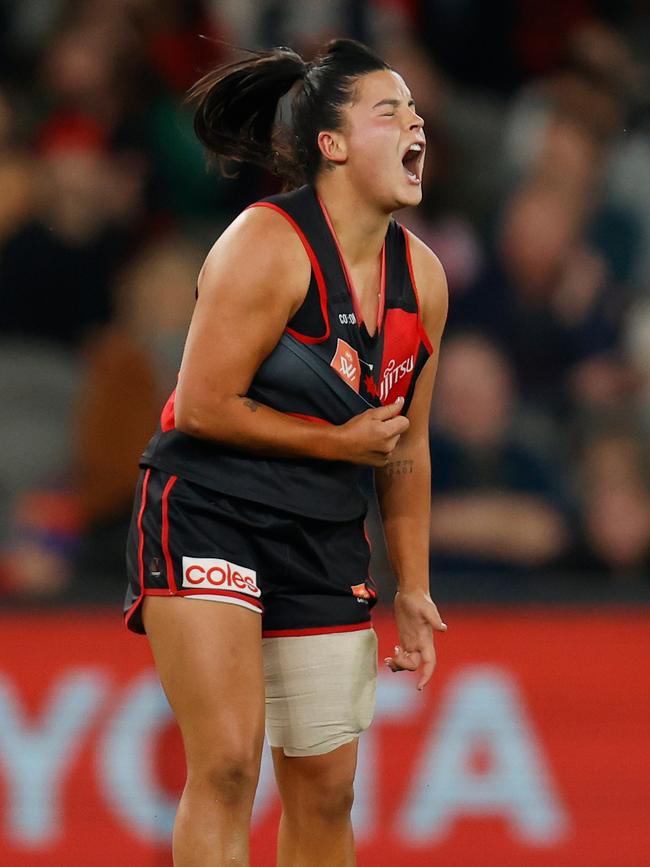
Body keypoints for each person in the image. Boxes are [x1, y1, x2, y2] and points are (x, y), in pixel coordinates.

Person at [123, 39, 448, 867]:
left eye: (416, 111)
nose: (416, 123)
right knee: (228, 761)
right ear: (331, 145)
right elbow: (199, 404)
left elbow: (406, 446)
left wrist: (412, 584)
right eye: (389, 110)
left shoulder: (426, 281)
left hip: (323, 529)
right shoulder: (265, 243)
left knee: (327, 789)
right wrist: (335, 440)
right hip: (208, 511)